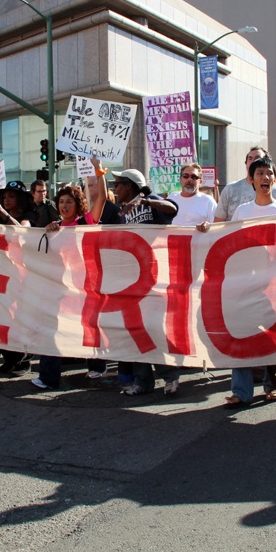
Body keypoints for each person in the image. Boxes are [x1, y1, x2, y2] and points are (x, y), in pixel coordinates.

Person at [202, 157, 276, 408]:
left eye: (269, 174)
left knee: (272, 334)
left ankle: (271, 385)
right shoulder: (242, 211)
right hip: (244, 282)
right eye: (260, 173)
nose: (266, 178)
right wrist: (205, 229)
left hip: (272, 284)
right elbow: (228, 239)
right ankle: (241, 391)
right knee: (240, 331)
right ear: (252, 180)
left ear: (274, 180)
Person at [100, 167, 181, 396]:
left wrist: (145, 202)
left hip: (154, 277)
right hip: (131, 278)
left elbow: (172, 209)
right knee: (135, 329)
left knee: (155, 328)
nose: (116, 188)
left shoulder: (151, 200)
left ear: (131, 185)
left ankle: (170, 376)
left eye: (119, 183)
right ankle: (143, 381)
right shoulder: (121, 212)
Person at [32, 157, 109, 389]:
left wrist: (99, 172)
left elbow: (102, 199)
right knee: (51, 329)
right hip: (61, 288)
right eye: (61, 202)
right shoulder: (55, 226)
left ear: (78, 205)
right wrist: (48, 232)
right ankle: (48, 377)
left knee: (88, 326)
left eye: (69, 202)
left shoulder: (85, 222)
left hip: (85, 287)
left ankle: (97, 366)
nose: (64, 206)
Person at [214, 147, 276, 222]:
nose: (265, 177)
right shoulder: (232, 194)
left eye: (257, 158)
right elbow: (218, 224)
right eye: (250, 158)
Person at [168, 162, 217, 226]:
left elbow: (217, 227)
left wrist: (207, 227)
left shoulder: (208, 201)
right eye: (185, 176)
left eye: (194, 177)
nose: (189, 179)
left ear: (200, 181)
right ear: (180, 180)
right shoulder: (172, 198)